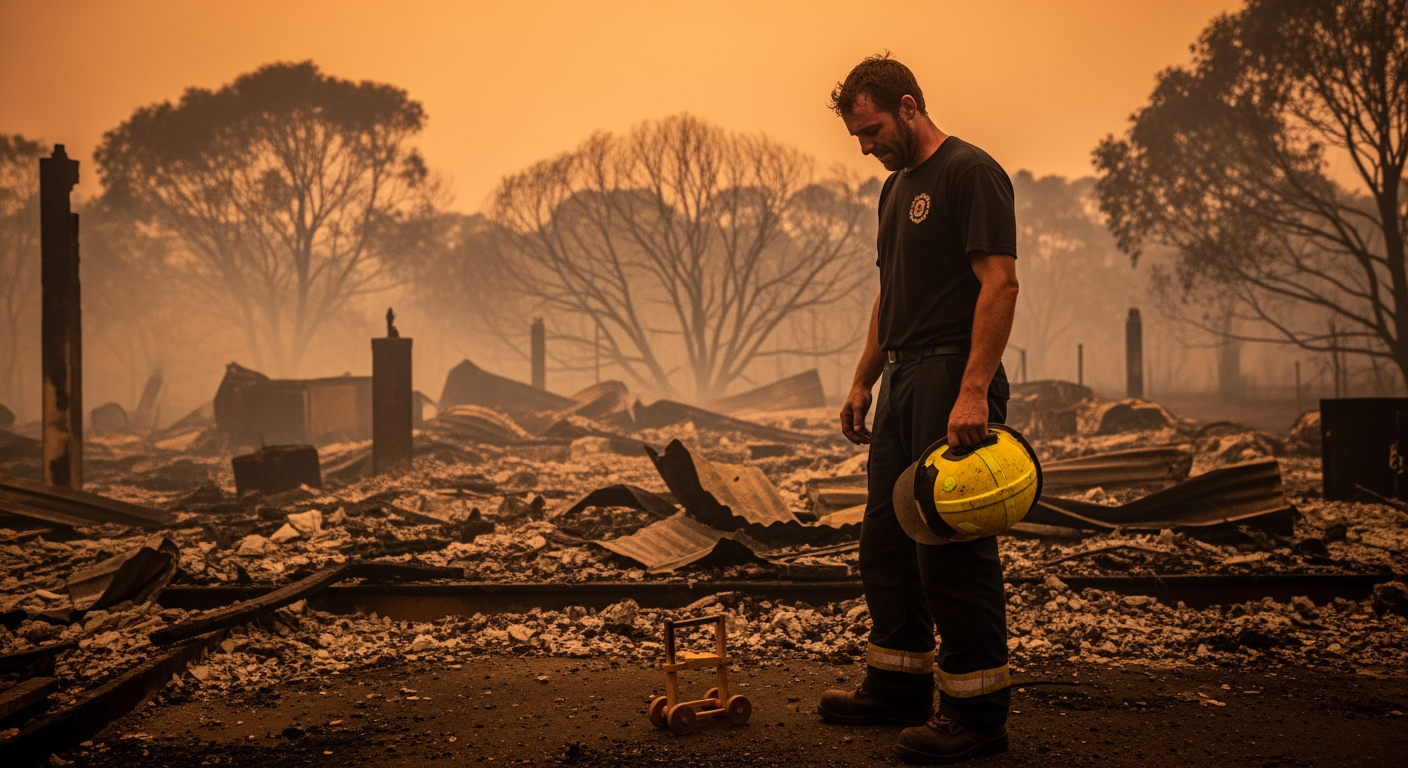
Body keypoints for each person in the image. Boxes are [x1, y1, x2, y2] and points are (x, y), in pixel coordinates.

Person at [817, 53, 1019, 765]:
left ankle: (977, 714)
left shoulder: (970, 173)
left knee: (950, 548)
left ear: (908, 106)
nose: (867, 147)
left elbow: (1000, 284)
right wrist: (861, 380)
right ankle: (897, 682)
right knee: (886, 540)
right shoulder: (894, 189)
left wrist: (972, 389)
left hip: (950, 378)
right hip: (903, 379)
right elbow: (888, 293)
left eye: (872, 130)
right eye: (858, 138)